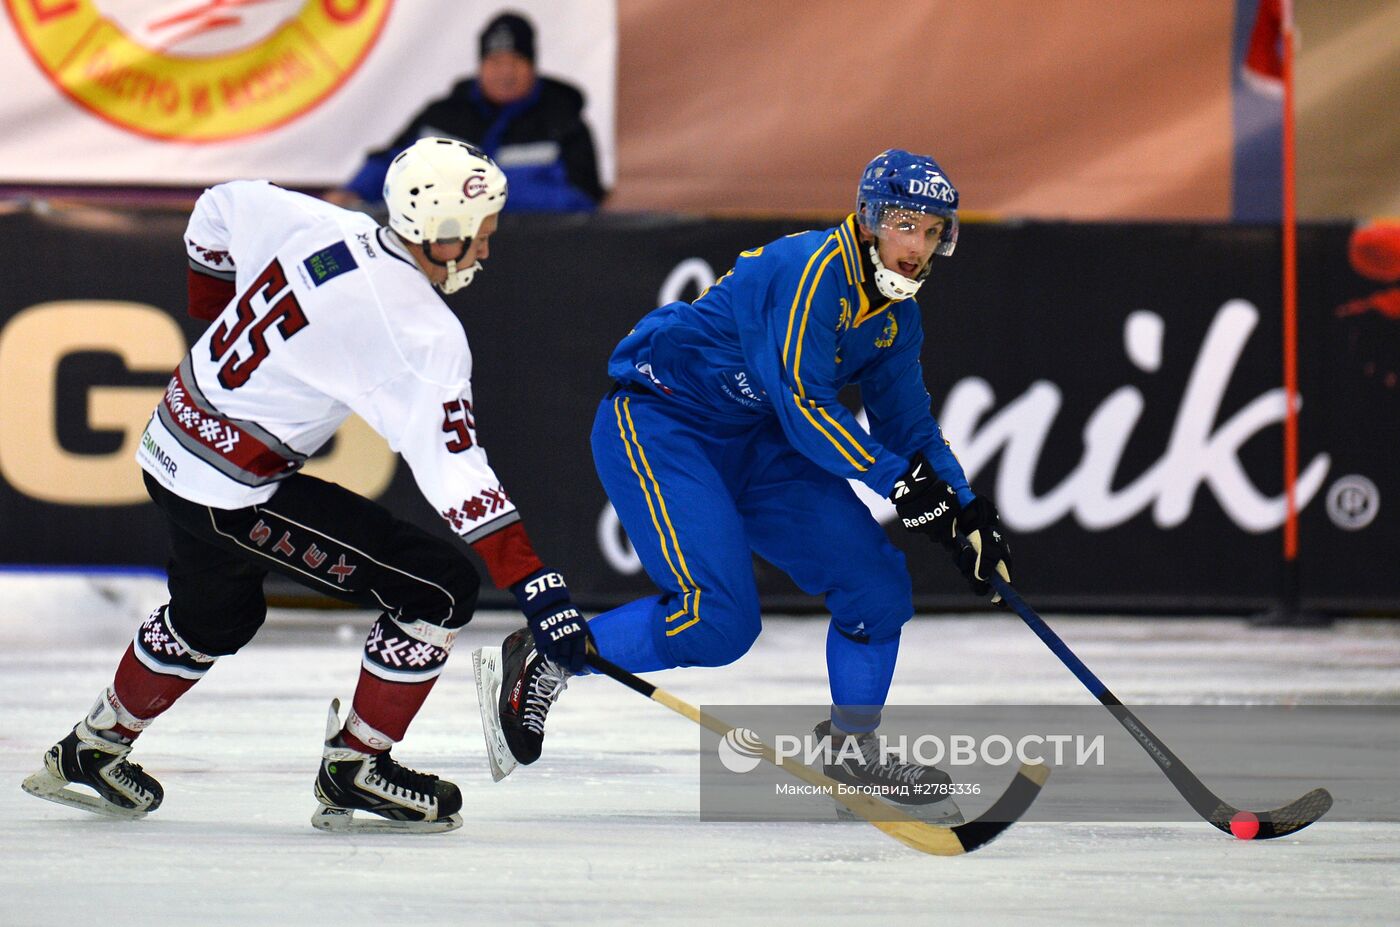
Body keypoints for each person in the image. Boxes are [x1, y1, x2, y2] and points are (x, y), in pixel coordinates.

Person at [21, 137, 585, 834]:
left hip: (169, 443)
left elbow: (218, 207)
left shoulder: (321, 224)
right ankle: (356, 768)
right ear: (442, 233)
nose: (487, 250)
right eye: (481, 234)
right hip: (231, 489)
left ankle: (92, 747)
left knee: (213, 616)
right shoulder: (420, 330)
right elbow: (458, 476)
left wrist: (216, 314)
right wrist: (536, 586)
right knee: (438, 589)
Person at [473, 149, 1014, 817]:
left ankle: (853, 753)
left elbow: (910, 428)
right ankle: (546, 655)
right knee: (719, 623)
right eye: (906, 225)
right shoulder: (811, 272)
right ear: (869, 219)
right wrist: (903, 486)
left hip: (758, 440)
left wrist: (967, 512)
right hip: (663, 424)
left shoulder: (897, 318)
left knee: (876, 589)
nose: (918, 247)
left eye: (933, 232)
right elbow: (804, 405)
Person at [330, 11, 605, 213]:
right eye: (495, 61)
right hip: (441, 250)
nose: (505, 72)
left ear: (532, 66)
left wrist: (488, 191)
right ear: (480, 66)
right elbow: (393, 162)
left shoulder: (565, 123)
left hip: (534, 254)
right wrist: (354, 192)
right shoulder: (442, 115)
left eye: (516, 61)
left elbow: (583, 200)